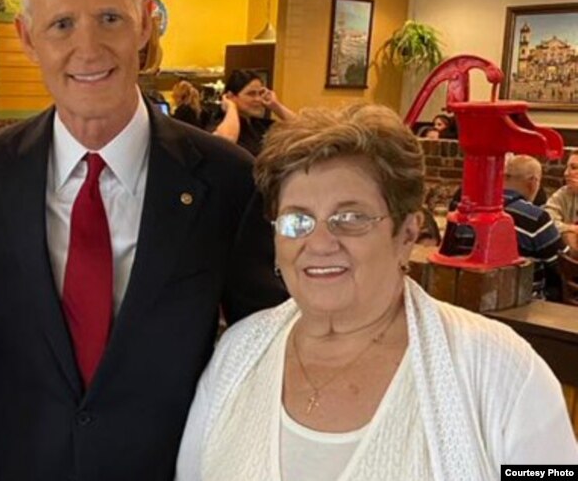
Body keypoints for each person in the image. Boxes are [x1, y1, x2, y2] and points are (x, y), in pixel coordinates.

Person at [0, 0, 286, 481]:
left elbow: (264, 346)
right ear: (27, 37)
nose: (89, 48)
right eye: (61, 24)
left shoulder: (227, 180)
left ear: (145, 23)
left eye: (110, 18)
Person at [176, 104, 578, 480]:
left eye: (350, 217)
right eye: (297, 220)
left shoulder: (502, 370)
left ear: (406, 233)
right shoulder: (238, 354)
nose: (320, 242)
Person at [444, 155, 565, 301]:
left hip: (463, 296)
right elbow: (562, 265)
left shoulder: (467, 210)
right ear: (533, 183)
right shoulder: (535, 218)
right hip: (521, 302)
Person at [221, 69, 294, 156]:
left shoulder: (260, 125)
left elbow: (303, 129)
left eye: (260, 93)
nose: (258, 99)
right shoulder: (218, 125)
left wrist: (276, 106)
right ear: (231, 96)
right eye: (251, 94)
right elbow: (225, 142)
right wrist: (231, 106)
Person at [545, 151, 578, 250]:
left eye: (574, 168)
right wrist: (571, 229)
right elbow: (547, 222)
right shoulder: (564, 193)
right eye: (567, 167)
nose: (566, 173)